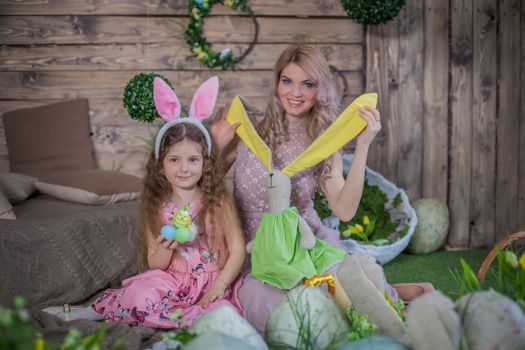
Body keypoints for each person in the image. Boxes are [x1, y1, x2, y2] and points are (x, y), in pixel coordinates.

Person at [47, 78, 246, 329]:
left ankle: (183, 323)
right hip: (173, 283)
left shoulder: (218, 201)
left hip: (214, 282)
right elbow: (156, 264)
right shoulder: (158, 207)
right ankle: (93, 312)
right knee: (141, 293)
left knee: (221, 315)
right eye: (174, 160)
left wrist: (219, 285)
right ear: (161, 167)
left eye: (193, 160)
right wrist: (165, 249)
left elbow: (238, 249)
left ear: (205, 164)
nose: (184, 168)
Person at [211, 44, 383, 332]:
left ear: (319, 90)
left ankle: (409, 293)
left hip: (306, 246)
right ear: (277, 82)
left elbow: (344, 210)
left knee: (348, 295)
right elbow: (206, 186)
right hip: (253, 252)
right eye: (287, 81)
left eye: (308, 84)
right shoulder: (248, 130)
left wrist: (363, 145)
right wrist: (216, 144)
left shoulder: (323, 143)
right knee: (278, 309)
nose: (295, 93)